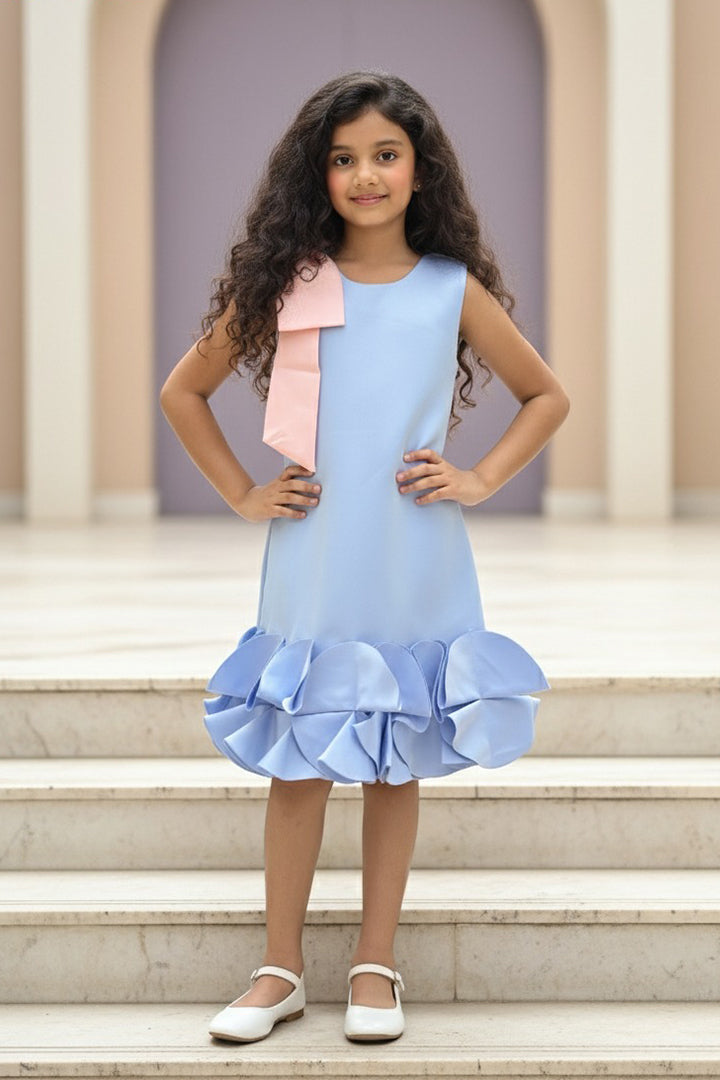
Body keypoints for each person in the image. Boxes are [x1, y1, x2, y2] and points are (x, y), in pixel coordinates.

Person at [159, 69, 570, 1045]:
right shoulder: (293, 284)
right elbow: (185, 391)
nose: (365, 175)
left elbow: (545, 395)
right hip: (316, 553)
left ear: (420, 169)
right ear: (320, 172)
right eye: (344, 158)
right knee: (299, 760)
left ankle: (376, 965)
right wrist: (244, 494)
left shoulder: (447, 290)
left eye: (385, 155)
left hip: (413, 552)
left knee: (396, 763)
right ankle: (279, 968)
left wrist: (477, 480)